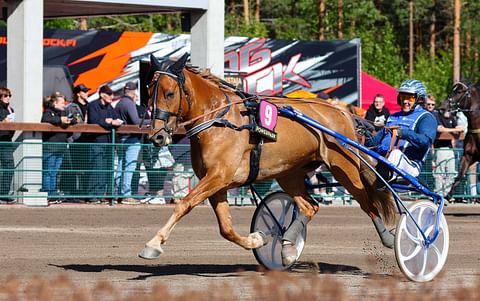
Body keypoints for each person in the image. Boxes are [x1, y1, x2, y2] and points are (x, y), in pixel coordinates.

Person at [365, 79, 437, 186]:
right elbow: (373, 142)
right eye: (403, 97)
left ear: (419, 99)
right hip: (382, 161)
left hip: (409, 166)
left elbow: (425, 141)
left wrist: (404, 133)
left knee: (396, 153)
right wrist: (362, 132)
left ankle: (384, 178)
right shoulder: (393, 117)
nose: (405, 101)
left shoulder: (426, 118)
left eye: (409, 98)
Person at [85, 84, 123, 204]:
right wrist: (109, 122)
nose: (111, 97)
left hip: (108, 143)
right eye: (109, 94)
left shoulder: (109, 107)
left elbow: (117, 119)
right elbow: (94, 120)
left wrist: (111, 121)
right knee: (96, 168)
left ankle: (101, 195)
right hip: (96, 142)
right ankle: (92, 196)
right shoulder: (93, 105)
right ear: (102, 94)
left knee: (106, 169)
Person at [41, 92, 77, 202]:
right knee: (48, 171)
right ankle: (48, 193)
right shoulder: (49, 112)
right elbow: (45, 119)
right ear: (55, 103)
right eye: (62, 103)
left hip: (60, 147)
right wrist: (60, 120)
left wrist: (69, 120)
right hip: (50, 147)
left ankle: (52, 193)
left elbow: (75, 120)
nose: (64, 105)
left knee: (54, 172)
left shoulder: (63, 112)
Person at [60, 83, 91, 200]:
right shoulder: (71, 107)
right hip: (75, 141)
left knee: (85, 168)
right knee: (73, 168)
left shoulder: (90, 106)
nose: (86, 93)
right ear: (78, 93)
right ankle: (72, 193)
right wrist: (70, 139)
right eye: (84, 91)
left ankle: (84, 193)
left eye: (87, 91)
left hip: (87, 140)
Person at [114, 81, 143, 205]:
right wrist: (149, 121)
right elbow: (136, 121)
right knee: (129, 166)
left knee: (121, 166)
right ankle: (126, 194)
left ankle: (118, 193)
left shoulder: (119, 103)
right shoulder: (129, 103)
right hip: (131, 138)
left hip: (122, 138)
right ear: (134, 91)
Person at [431, 98, 464, 196]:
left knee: (452, 173)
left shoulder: (451, 118)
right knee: (439, 173)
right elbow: (440, 129)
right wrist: (453, 130)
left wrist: (457, 129)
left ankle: (445, 194)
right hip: (440, 149)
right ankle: (438, 194)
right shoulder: (437, 115)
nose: (449, 111)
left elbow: (460, 128)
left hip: (450, 149)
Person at [0, 86, 16, 204]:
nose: (8, 98)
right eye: (6, 95)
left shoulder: (11, 109)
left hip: (6, 141)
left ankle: (3, 193)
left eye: (9, 95)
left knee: (9, 166)